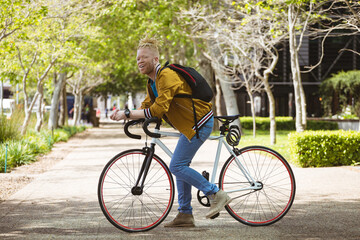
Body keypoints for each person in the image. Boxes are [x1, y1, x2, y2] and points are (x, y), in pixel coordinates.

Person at [110, 37, 231, 228]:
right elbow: (147, 107)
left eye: (144, 57)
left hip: (200, 122)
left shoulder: (166, 76)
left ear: (156, 59)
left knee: (177, 165)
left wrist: (128, 114)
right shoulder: (152, 83)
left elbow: (158, 110)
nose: (140, 61)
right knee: (180, 166)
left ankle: (215, 193)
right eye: (137, 59)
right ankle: (185, 215)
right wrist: (126, 116)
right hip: (187, 125)